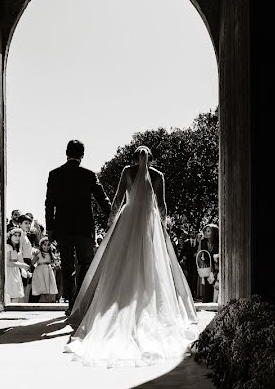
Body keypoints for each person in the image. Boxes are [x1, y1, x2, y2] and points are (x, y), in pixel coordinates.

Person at [64, 146, 198, 368]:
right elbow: (161, 205)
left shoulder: (127, 171)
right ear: (150, 159)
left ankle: (118, 306)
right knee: (151, 267)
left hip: (128, 221)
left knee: (121, 265)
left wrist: (111, 222)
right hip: (148, 222)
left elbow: (118, 199)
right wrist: (162, 227)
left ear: (134, 158)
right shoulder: (158, 175)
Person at [44, 139, 112, 315]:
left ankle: (70, 301)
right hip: (84, 228)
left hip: (62, 228)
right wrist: (113, 215)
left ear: (66, 153)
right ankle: (80, 299)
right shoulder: (89, 175)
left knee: (67, 265)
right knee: (85, 263)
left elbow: (49, 204)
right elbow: (102, 199)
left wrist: (50, 227)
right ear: (82, 155)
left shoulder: (55, 174)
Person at [31, 236, 59, 303]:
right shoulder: (39, 253)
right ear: (41, 245)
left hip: (48, 271)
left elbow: (55, 262)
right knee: (41, 286)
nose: (46, 247)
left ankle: (48, 300)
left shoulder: (50, 254)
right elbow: (32, 262)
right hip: (40, 271)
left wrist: (55, 266)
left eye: (48, 245)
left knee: (48, 286)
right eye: (44, 245)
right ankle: (42, 301)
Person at [5, 228, 30, 303]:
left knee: (16, 295)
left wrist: (25, 269)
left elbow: (18, 260)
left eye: (19, 236)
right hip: (9, 272)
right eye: (15, 235)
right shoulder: (8, 246)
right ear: (10, 236)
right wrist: (22, 265)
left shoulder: (16, 248)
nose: (17, 237)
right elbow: (8, 262)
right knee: (9, 294)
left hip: (15, 272)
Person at [197, 223, 219, 303]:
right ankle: (206, 301)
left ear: (214, 232)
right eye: (205, 231)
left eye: (208, 231)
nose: (205, 232)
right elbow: (199, 255)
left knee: (216, 285)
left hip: (217, 267)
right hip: (207, 267)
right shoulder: (202, 242)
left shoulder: (219, 242)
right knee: (207, 285)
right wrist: (202, 262)